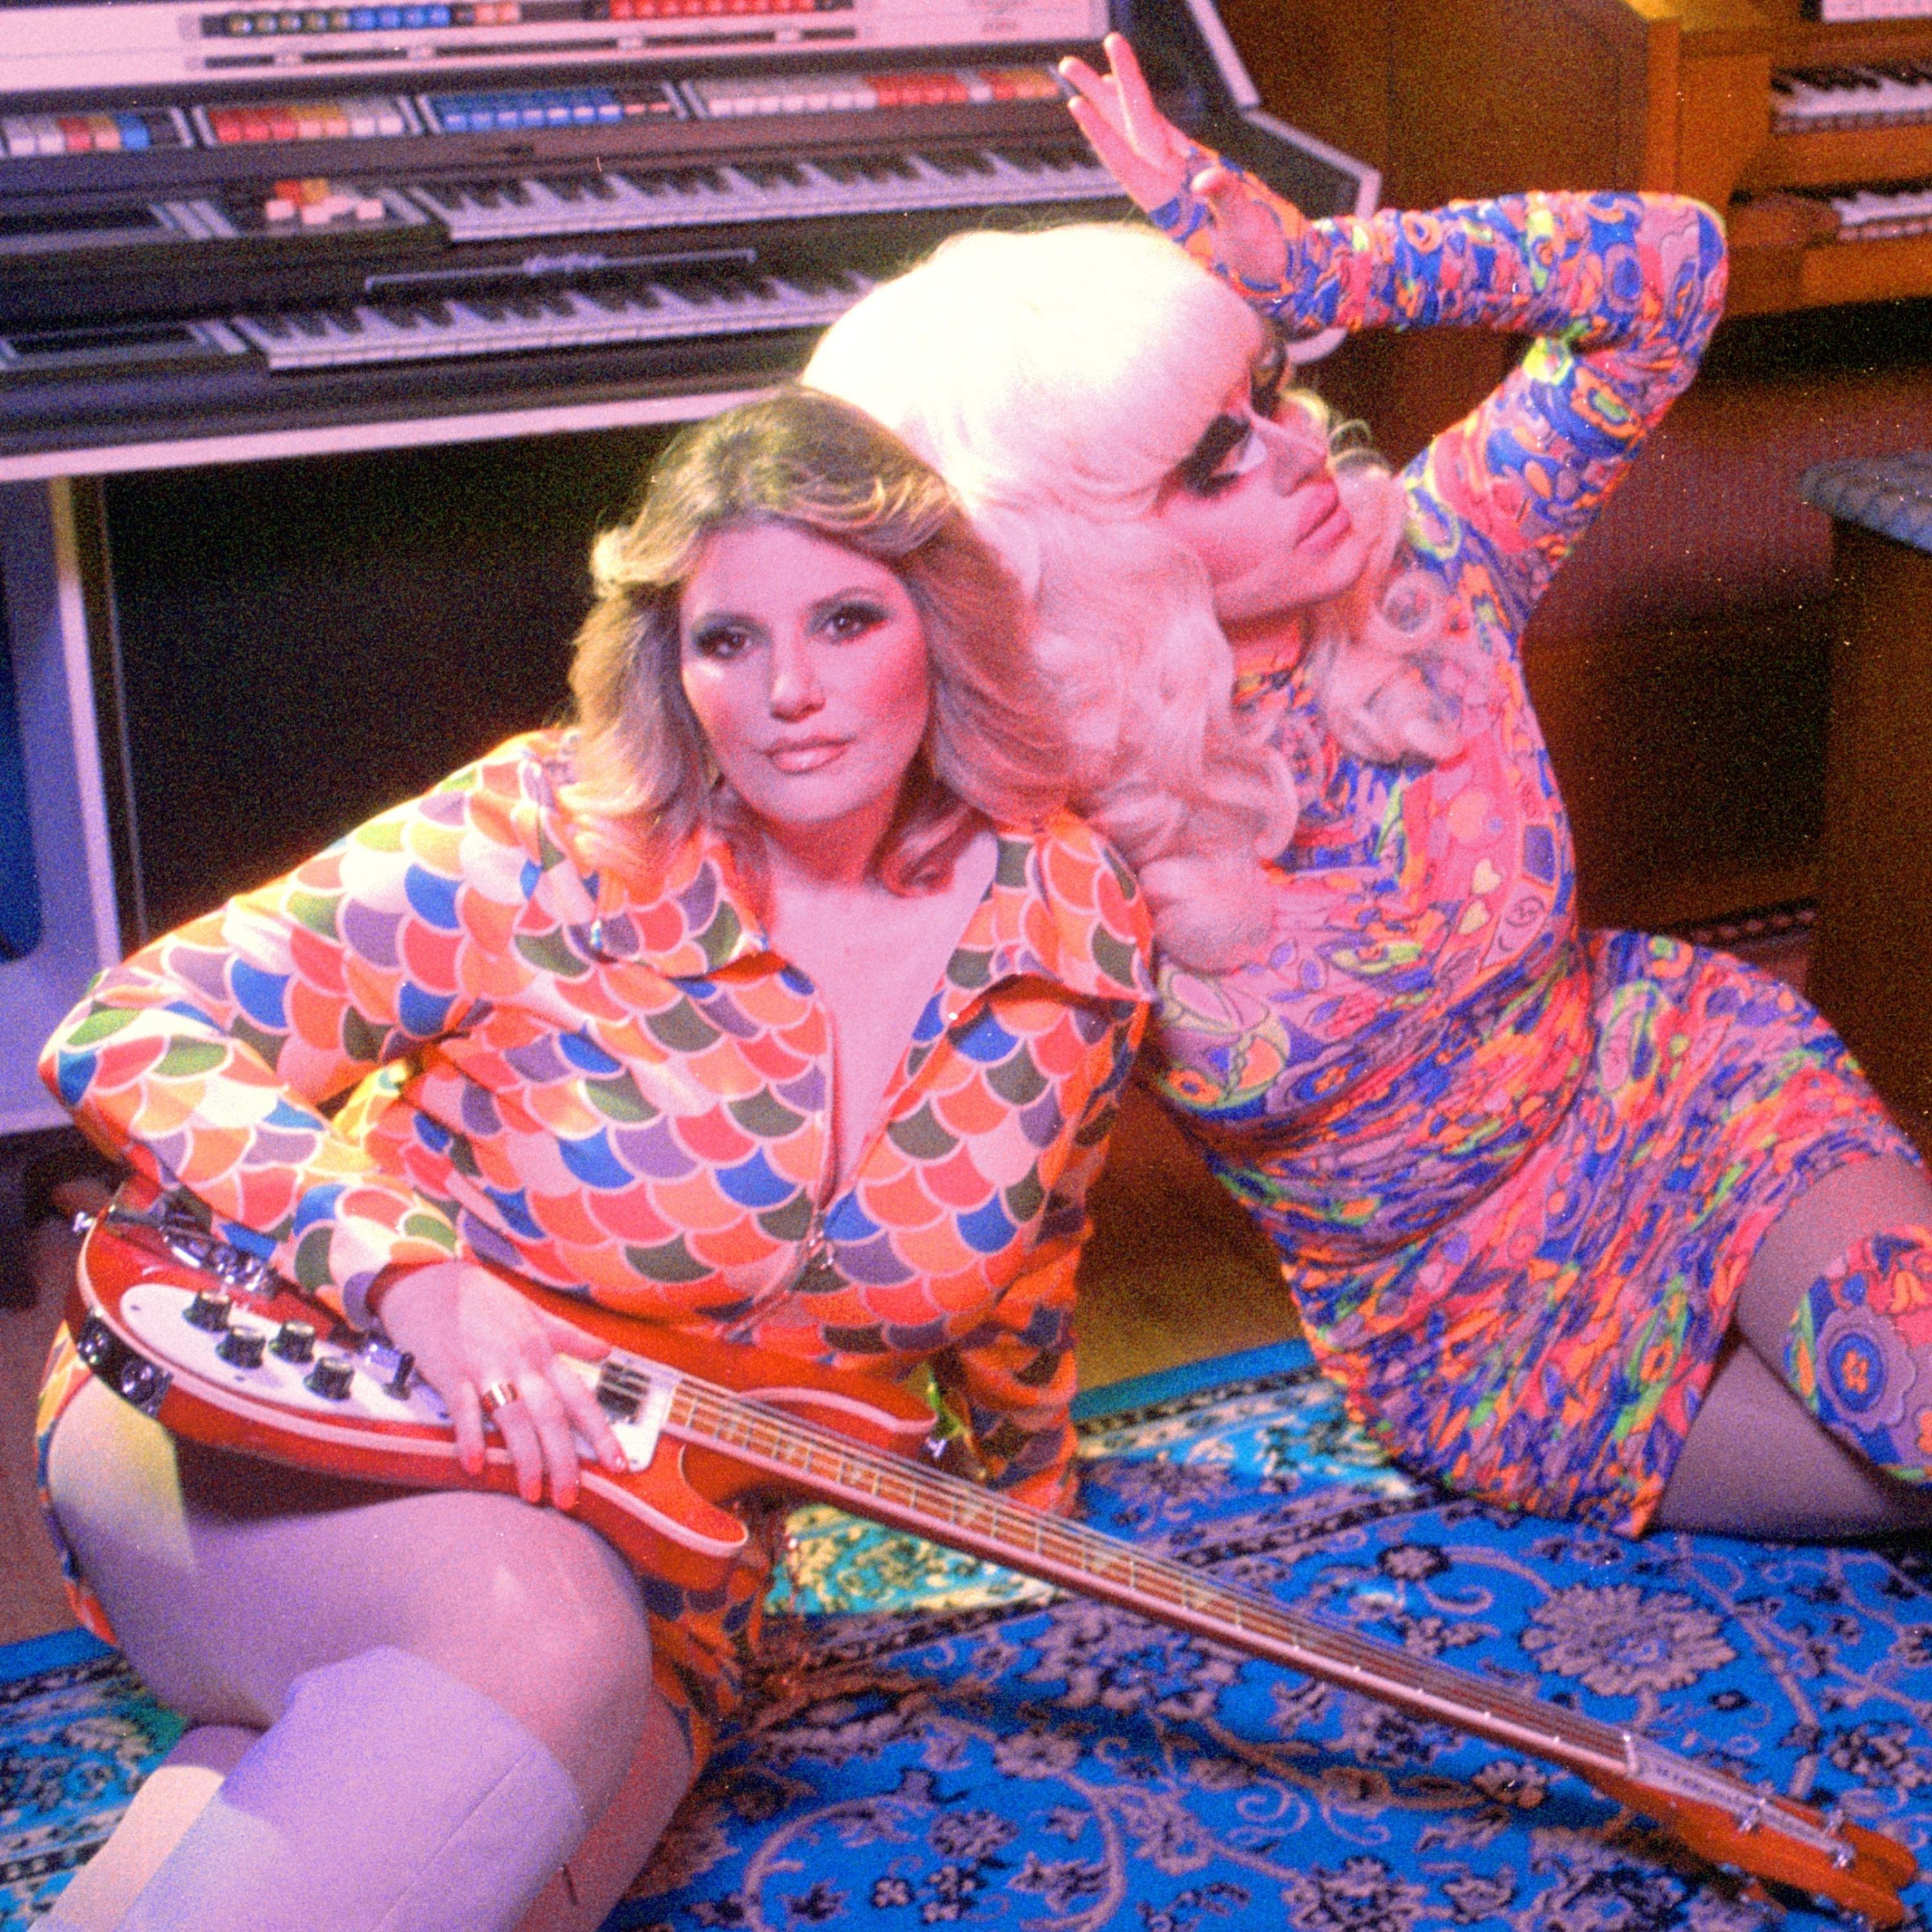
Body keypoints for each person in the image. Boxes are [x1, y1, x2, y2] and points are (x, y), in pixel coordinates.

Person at [32, 388, 1151, 1932]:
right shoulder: (541, 841)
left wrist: (1032, 1487)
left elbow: (1034, 1243)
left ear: (942, 627)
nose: (790, 694)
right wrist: (412, 1276)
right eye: (727, 640)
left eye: (845, 621)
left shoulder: (1071, 916)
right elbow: (130, 1029)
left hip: (671, 1557)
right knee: (540, 1644)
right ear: (668, 665)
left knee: (454, 1859)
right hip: (277, 1403)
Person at [803, 34, 1932, 1546]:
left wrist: (1319, 269)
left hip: (1682, 1096)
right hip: (1479, 1337)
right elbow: (1010, 1207)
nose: (1297, 454)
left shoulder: (1436, 565)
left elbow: (1672, 271)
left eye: (1271, 394)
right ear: (1084, 559)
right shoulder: (1054, 834)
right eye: (1215, 461)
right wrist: (1018, 1472)